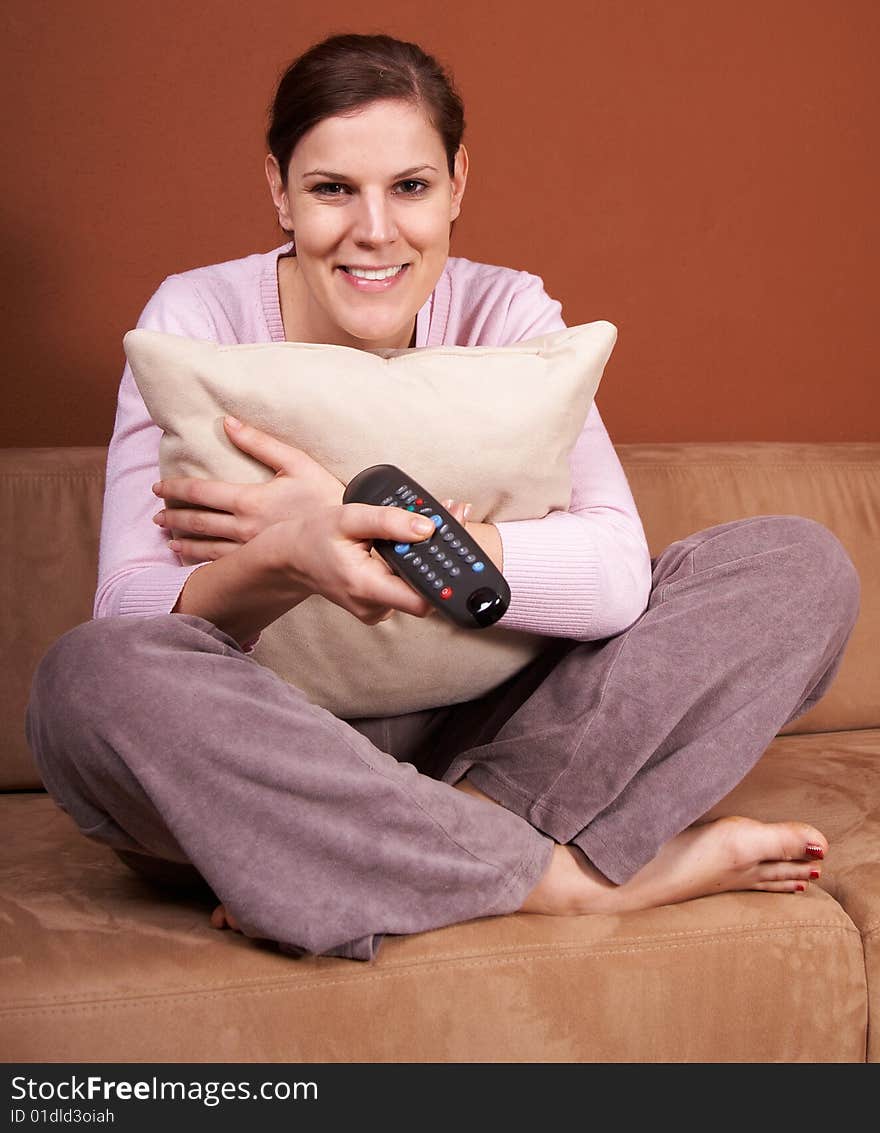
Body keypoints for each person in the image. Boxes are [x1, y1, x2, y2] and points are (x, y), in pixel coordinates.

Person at [26, 33, 860, 961]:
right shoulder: (194, 321)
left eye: (411, 188)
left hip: (497, 744)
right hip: (268, 764)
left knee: (798, 568)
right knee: (86, 681)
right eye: (333, 189)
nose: (374, 230)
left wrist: (388, 530)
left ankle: (422, 851)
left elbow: (617, 574)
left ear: (458, 183)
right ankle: (562, 883)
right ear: (278, 190)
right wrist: (287, 554)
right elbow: (129, 609)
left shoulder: (512, 319)